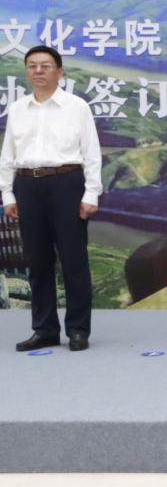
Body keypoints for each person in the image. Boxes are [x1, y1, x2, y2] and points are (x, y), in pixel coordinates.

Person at [0, 45, 102, 351]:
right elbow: (8, 155)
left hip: (66, 183)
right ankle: (44, 328)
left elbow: (92, 153)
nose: (38, 71)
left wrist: (91, 192)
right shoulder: (18, 109)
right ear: (26, 72)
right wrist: (7, 193)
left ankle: (78, 330)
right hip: (27, 185)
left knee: (73, 260)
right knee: (37, 261)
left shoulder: (76, 107)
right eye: (32, 66)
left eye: (45, 66)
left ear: (60, 71)